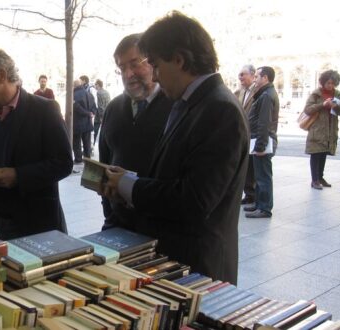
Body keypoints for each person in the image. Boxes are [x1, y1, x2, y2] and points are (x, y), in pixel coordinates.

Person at [102, 11, 249, 284]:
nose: (155, 76)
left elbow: (194, 200)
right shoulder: (190, 102)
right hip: (173, 256)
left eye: (155, 65)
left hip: (199, 265)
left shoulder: (219, 110)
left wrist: (129, 185)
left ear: (180, 59)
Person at [0, 47, 73, 240]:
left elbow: (64, 163)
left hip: (34, 225)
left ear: (1, 75)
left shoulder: (45, 110)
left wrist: (19, 176)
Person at [98, 33, 173, 229]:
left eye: (134, 64)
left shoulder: (175, 106)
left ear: (153, 62)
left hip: (160, 227)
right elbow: (105, 163)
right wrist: (109, 212)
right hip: (117, 224)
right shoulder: (113, 108)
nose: (128, 74)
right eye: (122, 68)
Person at [244, 66, 279, 218]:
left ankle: (264, 208)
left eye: (257, 76)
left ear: (265, 78)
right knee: (259, 175)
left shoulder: (266, 95)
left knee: (263, 176)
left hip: (263, 141)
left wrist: (260, 145)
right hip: (260, 140)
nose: (255, 79)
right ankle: (259, 203)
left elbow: (264, 122)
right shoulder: (265, 93)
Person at [304, 70, 340, 190]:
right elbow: (307, 109)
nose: (330, 85)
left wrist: (336, 106)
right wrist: (322, 105)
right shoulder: (316, 93)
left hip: (330, 129)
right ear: (323, 82)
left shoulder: (338, 94)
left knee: (323, 153)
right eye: (328, 83)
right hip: (317, 129)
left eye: (333, 83)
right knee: (316, 153)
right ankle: (314, 180)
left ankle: (320, 177)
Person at [235, 65, 257, 205]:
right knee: (245, 166)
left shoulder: (259, 91)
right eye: (239, 75)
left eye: (243, 74)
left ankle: (254, 194)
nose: (240, 77)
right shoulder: (239, 92)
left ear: (253, 75)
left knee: (253, 167)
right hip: (243, 133)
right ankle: (248, 193)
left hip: (254, 133)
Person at [73, 79, 96, 163]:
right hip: (87, 122)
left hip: (77, 123)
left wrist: (86, 113)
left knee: (76, 143)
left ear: (74, 86)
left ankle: (78, 159)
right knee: (87, 142)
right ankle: (88, 158)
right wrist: (91, 113)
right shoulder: (89, 94)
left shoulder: (73, 94)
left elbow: (76, 107)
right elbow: (94, 106)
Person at [93, 79, 111, 146]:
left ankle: (93, 146)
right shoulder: (106, 92)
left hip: (100, 115)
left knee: (96, 130)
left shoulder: (99, 93)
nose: (95, 86)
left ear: (98, 85)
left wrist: (101, 116)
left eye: (95, 84)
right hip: (107, 113)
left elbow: (100, 106)